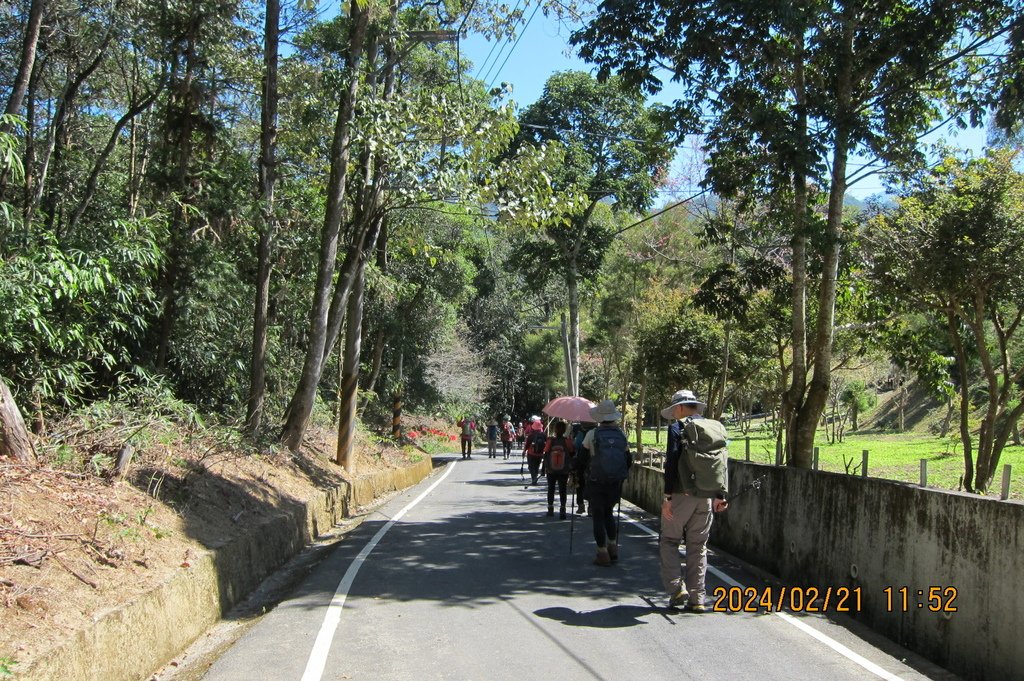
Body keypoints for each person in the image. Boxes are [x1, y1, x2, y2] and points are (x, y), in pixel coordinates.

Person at [659, 389, 729, 613]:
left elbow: (671, 463)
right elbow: (722, 462)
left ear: (680, 407)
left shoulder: (677, 428)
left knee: (669, 541)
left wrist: (667, 497)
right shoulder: (713, 427)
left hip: (682, 495)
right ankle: (698, 598)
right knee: (698, 547)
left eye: (674, 410)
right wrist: (720, 495)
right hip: (707, 497)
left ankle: (676, 588)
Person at [577, 400, 631, 566]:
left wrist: (579, 476)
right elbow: (628, 459)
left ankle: (602, 553)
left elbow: (582, 459)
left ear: (599, 417)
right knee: (609, 513)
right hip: (615, 483)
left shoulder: (592, 434)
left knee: (598, 516)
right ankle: (613, 547)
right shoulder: (621, 434)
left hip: (596, 481)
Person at [543, 420, 575, 518]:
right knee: (562, 489)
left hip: (551, 469)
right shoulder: (567, 441)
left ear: (555, 430)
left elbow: (546, 452)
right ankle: (562, 509)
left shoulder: (550, 440)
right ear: (564, 430)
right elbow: (572, 452)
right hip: (564, 469)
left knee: (551, 488)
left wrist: (544, 468)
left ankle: (550, 509)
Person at [572, 421, 595, 515]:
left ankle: (581, 505)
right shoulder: (597, 432)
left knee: (580, 483)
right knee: (592, 485)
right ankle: (591, 507)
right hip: (596, 463)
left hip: (582, 462)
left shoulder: (582, 433)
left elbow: (577, 446)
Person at [523, 416, 546, 485]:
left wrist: (524, 451)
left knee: (531, 466)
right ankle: (535, 477)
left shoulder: (531, 435)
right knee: (537, 466)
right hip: (540, 454)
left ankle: (534, 478)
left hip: (531, 453)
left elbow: (527, 445)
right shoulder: (543, 435)